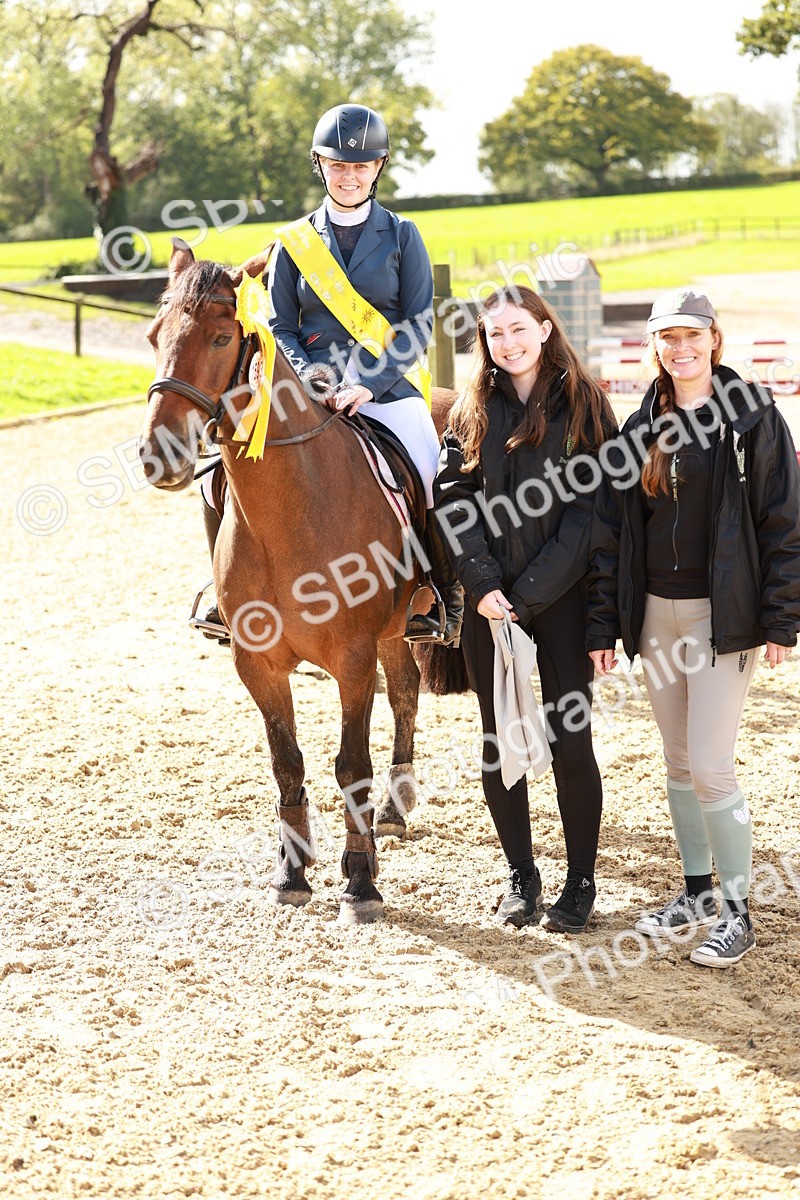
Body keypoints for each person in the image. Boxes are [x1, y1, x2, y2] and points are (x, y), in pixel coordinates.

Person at [587, 288, 800, 968]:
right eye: (667, 338)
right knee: (678, 765)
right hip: (654, 615)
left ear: (714, 340)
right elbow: (612, 532)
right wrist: (602, 626)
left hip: (723, 618)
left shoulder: (754, 419)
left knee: (710, 765)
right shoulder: (638, 427)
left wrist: (780, 619)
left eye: (692, 336)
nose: (681, 349)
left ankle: (738, 913)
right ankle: (697, 891)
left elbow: (783, 523)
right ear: (654, 347)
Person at [433, 285, 617, 932]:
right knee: (500, 739)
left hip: (560, 603)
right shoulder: (471, 408)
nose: (506, 344)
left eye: (517, 330)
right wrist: (482, 586)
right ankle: (521, 876)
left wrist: (531, 592)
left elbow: (595, 512)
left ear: (544, 328)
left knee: (571, 739)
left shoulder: (586, 404)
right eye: (494, 334)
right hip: (490, 607)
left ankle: (580, 881)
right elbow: (452, 498)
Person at [261, 101, 462, 646]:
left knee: (431, 478)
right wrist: (311, 379)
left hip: (388, 389)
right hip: (309, 392)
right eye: (338, 165)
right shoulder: (292, 242)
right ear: (319, 165)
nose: (349, 176)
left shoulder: (402, 235)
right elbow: (280, 325)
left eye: (361, 166)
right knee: (227, 472)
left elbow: (419, 322)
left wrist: (367, 385)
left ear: (378, 168)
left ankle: (439, 594)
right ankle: (228, 592)